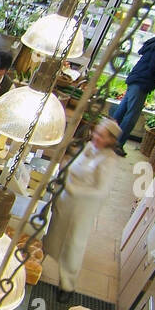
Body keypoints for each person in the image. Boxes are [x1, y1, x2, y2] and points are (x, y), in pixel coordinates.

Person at [44, 118, 123, 299]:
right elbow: (75, 164)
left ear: (111, 140)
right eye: (96, 133)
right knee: (54, 233)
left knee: (73, 244)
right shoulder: (89, 147)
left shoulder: (109, 162)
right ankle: (38, 263)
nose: (96, 137)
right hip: (66, 200)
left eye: (101, 136)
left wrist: (75, 190)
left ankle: (67, 285)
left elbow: (101, 192)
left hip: (82, 207)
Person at [111, 23, 155, 154]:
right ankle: (117, 144)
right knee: (132, 115)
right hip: (142, 82)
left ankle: (108, 136)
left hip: (136, 79)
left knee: (122, 111)